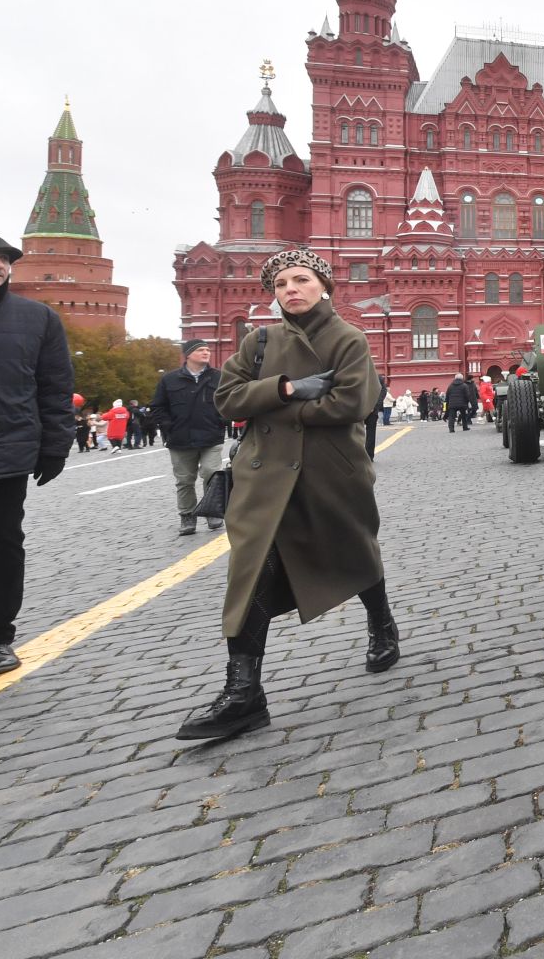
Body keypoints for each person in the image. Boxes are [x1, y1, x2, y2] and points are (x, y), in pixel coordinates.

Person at [178, 248, 399, 741]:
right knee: (251, 572)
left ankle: (381, 624)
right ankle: (244, 694)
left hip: (330, 473)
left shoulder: (348, 338)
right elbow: (225, 399)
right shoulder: (258, 342)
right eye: (280, 284)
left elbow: (350, 404)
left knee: (355, 551)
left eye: (301, 280)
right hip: (264, 476)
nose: (290, 290)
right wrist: (288, 390)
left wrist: (274, 407)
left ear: (324, 285)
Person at [0, 235, 75, 676]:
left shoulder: (37, 319)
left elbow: (55, 387)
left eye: (4, 258)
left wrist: (56, 446)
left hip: (6, 453)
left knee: (3, 546)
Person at [149, 339, 226, 536]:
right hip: (180, 438)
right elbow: (158, 406)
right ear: (188, 354)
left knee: (211, 472)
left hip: (211, 436)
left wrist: (221, 420)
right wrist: (167, 425)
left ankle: (212, 511)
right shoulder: (169, 379)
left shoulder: (219, 377)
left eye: (208, 350)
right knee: (184, 480)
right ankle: (187, 515)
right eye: (201, 350)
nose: (206, 353)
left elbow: (229, 400)